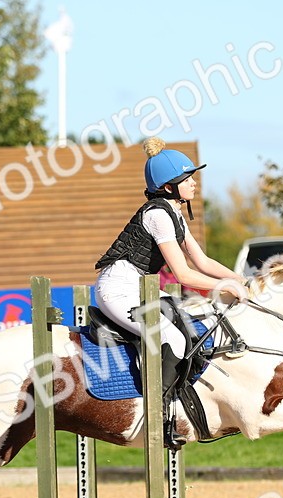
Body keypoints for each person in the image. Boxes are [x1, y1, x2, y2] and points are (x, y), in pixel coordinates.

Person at [93, 137, 248, 446]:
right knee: (173, 337)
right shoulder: (157, 215)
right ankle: (158, 417)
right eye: (186, 179)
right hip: (118, 291)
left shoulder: (174, 213)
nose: (193, 184)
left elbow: (202, 260)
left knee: (193, 323)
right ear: (168, 187)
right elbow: (183, 273)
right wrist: (226, 286)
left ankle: (181, 405)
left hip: (138, 289)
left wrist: (240, 278)